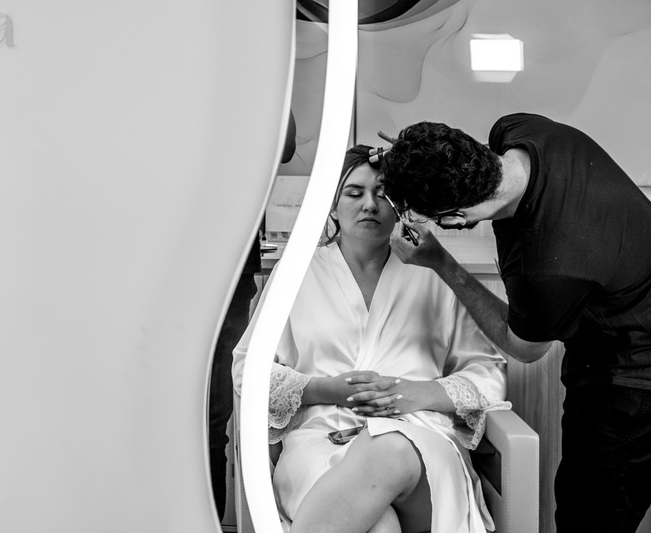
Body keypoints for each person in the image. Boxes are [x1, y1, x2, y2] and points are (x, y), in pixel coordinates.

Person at [378, 113, 651, 533]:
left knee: (590, 520)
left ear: (454, 218)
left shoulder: (548, 270)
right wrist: (415, 157)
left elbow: (524, 348)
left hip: (631, 383)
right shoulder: (524, 130)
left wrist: (441, 262)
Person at [233, 145, 508, 533]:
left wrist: (416, 393)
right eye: (354, 193)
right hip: (320, 442)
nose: (369, 205)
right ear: (332, 206)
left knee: (388, 445)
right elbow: (248, 368)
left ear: (399, 206)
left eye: (383, 194)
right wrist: (327, 389)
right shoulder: (295, 274)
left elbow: (488, 374)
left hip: (417, 442)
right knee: (379, 526)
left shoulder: (433, 275)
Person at [209, 111, 296, 514]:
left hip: (229, 265)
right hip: (156, 262)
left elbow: (285, 144)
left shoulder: (253, 85)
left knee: (210, 421)